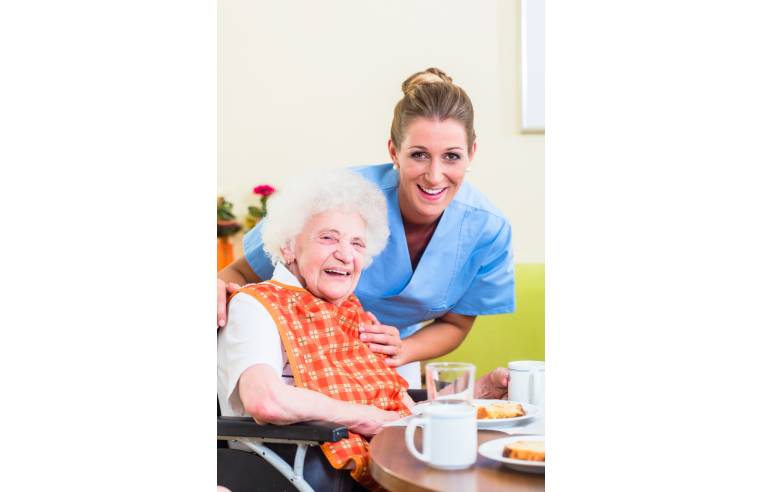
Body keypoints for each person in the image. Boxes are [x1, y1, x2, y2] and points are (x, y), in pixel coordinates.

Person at [218, 67, 515, 388]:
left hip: (390, 358)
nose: (434, 175)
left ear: (471, 153)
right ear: (393, 152)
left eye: (452, 156)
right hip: (298, 356)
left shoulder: (488, 230)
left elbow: (456, 324)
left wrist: (404, 348)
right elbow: (239, 275)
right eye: (419, 155)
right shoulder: (339, 199)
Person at [217, 170, 508, 489]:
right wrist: (368, 418)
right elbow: (265, 401)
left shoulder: (348, 313)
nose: (345, 254)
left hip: (373, 459)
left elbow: (394, 408)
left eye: (357, 243)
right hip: (300, 463)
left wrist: (476, 395)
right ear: (288, 247)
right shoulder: (255, 304)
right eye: (328, 237)